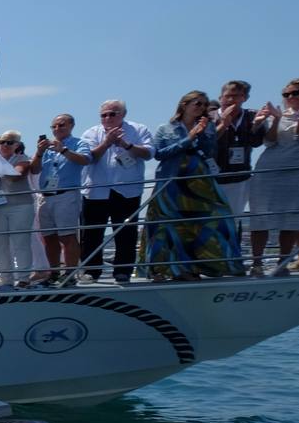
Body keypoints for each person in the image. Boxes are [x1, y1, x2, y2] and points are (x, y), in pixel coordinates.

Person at [146, 90, 243, 281]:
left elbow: (209, 152)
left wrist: (207, 133)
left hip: (198, 180)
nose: (201, 108)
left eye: (204, 105)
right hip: (172, 180)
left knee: (214, 217)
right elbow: (160, 154)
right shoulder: (165, 128)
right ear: (185, 104)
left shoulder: (206, 127)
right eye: (197, 103)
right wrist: (188, 138)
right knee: (170, 225)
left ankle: (209, 265)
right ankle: (169, 268)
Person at [79, 100, 154, 282]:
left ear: (123, 114)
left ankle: (123, 271)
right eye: (104, 115)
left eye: (112, 114)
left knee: (126, 233)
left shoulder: (138, 129)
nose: (108, 118)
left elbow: (149, 153)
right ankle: (91, 271)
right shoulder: (91, 133)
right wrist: (106, 143)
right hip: (96, 191)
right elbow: (87, 158)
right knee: (91, 233)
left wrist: (126, 144)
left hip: (127, 190)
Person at [248, 79, 299, 276]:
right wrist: (276, 119)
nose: (291, 97)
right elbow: (268, 141)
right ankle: (257, 263)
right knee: (260, 218)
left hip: (295, 171)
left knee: (292, 219)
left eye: (296, 93)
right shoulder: (276, 114)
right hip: (269, 170)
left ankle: (282, 262)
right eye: (287, 94)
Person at [31, 113, 89, 284]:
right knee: (49, 237)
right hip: (45, 196)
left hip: (66, 194)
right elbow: (34, 170)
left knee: (68, 236)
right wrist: (39, 152)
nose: (57, 129)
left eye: (61, 125)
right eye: (54, 126)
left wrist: (63, 150)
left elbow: (85, 160)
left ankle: (70, 274)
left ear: (71, 125)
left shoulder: (79, 143)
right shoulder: (47, 149)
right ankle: (54, 272)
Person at [0, 130, 36, 288]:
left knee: (20, 242)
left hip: (21, 206)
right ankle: (5, 278)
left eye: (10, 142)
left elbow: (16, 175)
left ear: (17, 145)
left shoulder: (22, 159)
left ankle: (24, 278)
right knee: (0, 242)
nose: (5, 145)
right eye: (2, 142)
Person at [215, 80, 264, 224]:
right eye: (227, 96)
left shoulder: (251, 116)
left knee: (233, 221)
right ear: (220, 98)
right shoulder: (209, 117)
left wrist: (256, 126)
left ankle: (232, 246)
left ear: (244, 98)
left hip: (240, 178)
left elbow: (256, 143)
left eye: (236, 96)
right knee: (213, 221)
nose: (230, 100)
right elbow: (207, 144)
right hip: (213, 177)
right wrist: (223, 124)